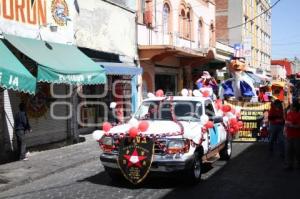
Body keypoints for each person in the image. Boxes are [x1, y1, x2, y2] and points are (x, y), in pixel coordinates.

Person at [284, 100, 300, 169]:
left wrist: (292, 125)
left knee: (297, 151)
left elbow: (299, 126)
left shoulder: (299, 115)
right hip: (289, 135)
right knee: (288, 151)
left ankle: (298, 164)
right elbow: (286, 121)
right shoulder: (289, 113)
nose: (291, 107)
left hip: (297, 136)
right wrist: (285, 129)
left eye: (292, 106)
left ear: (295, 107)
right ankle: (289, 165)